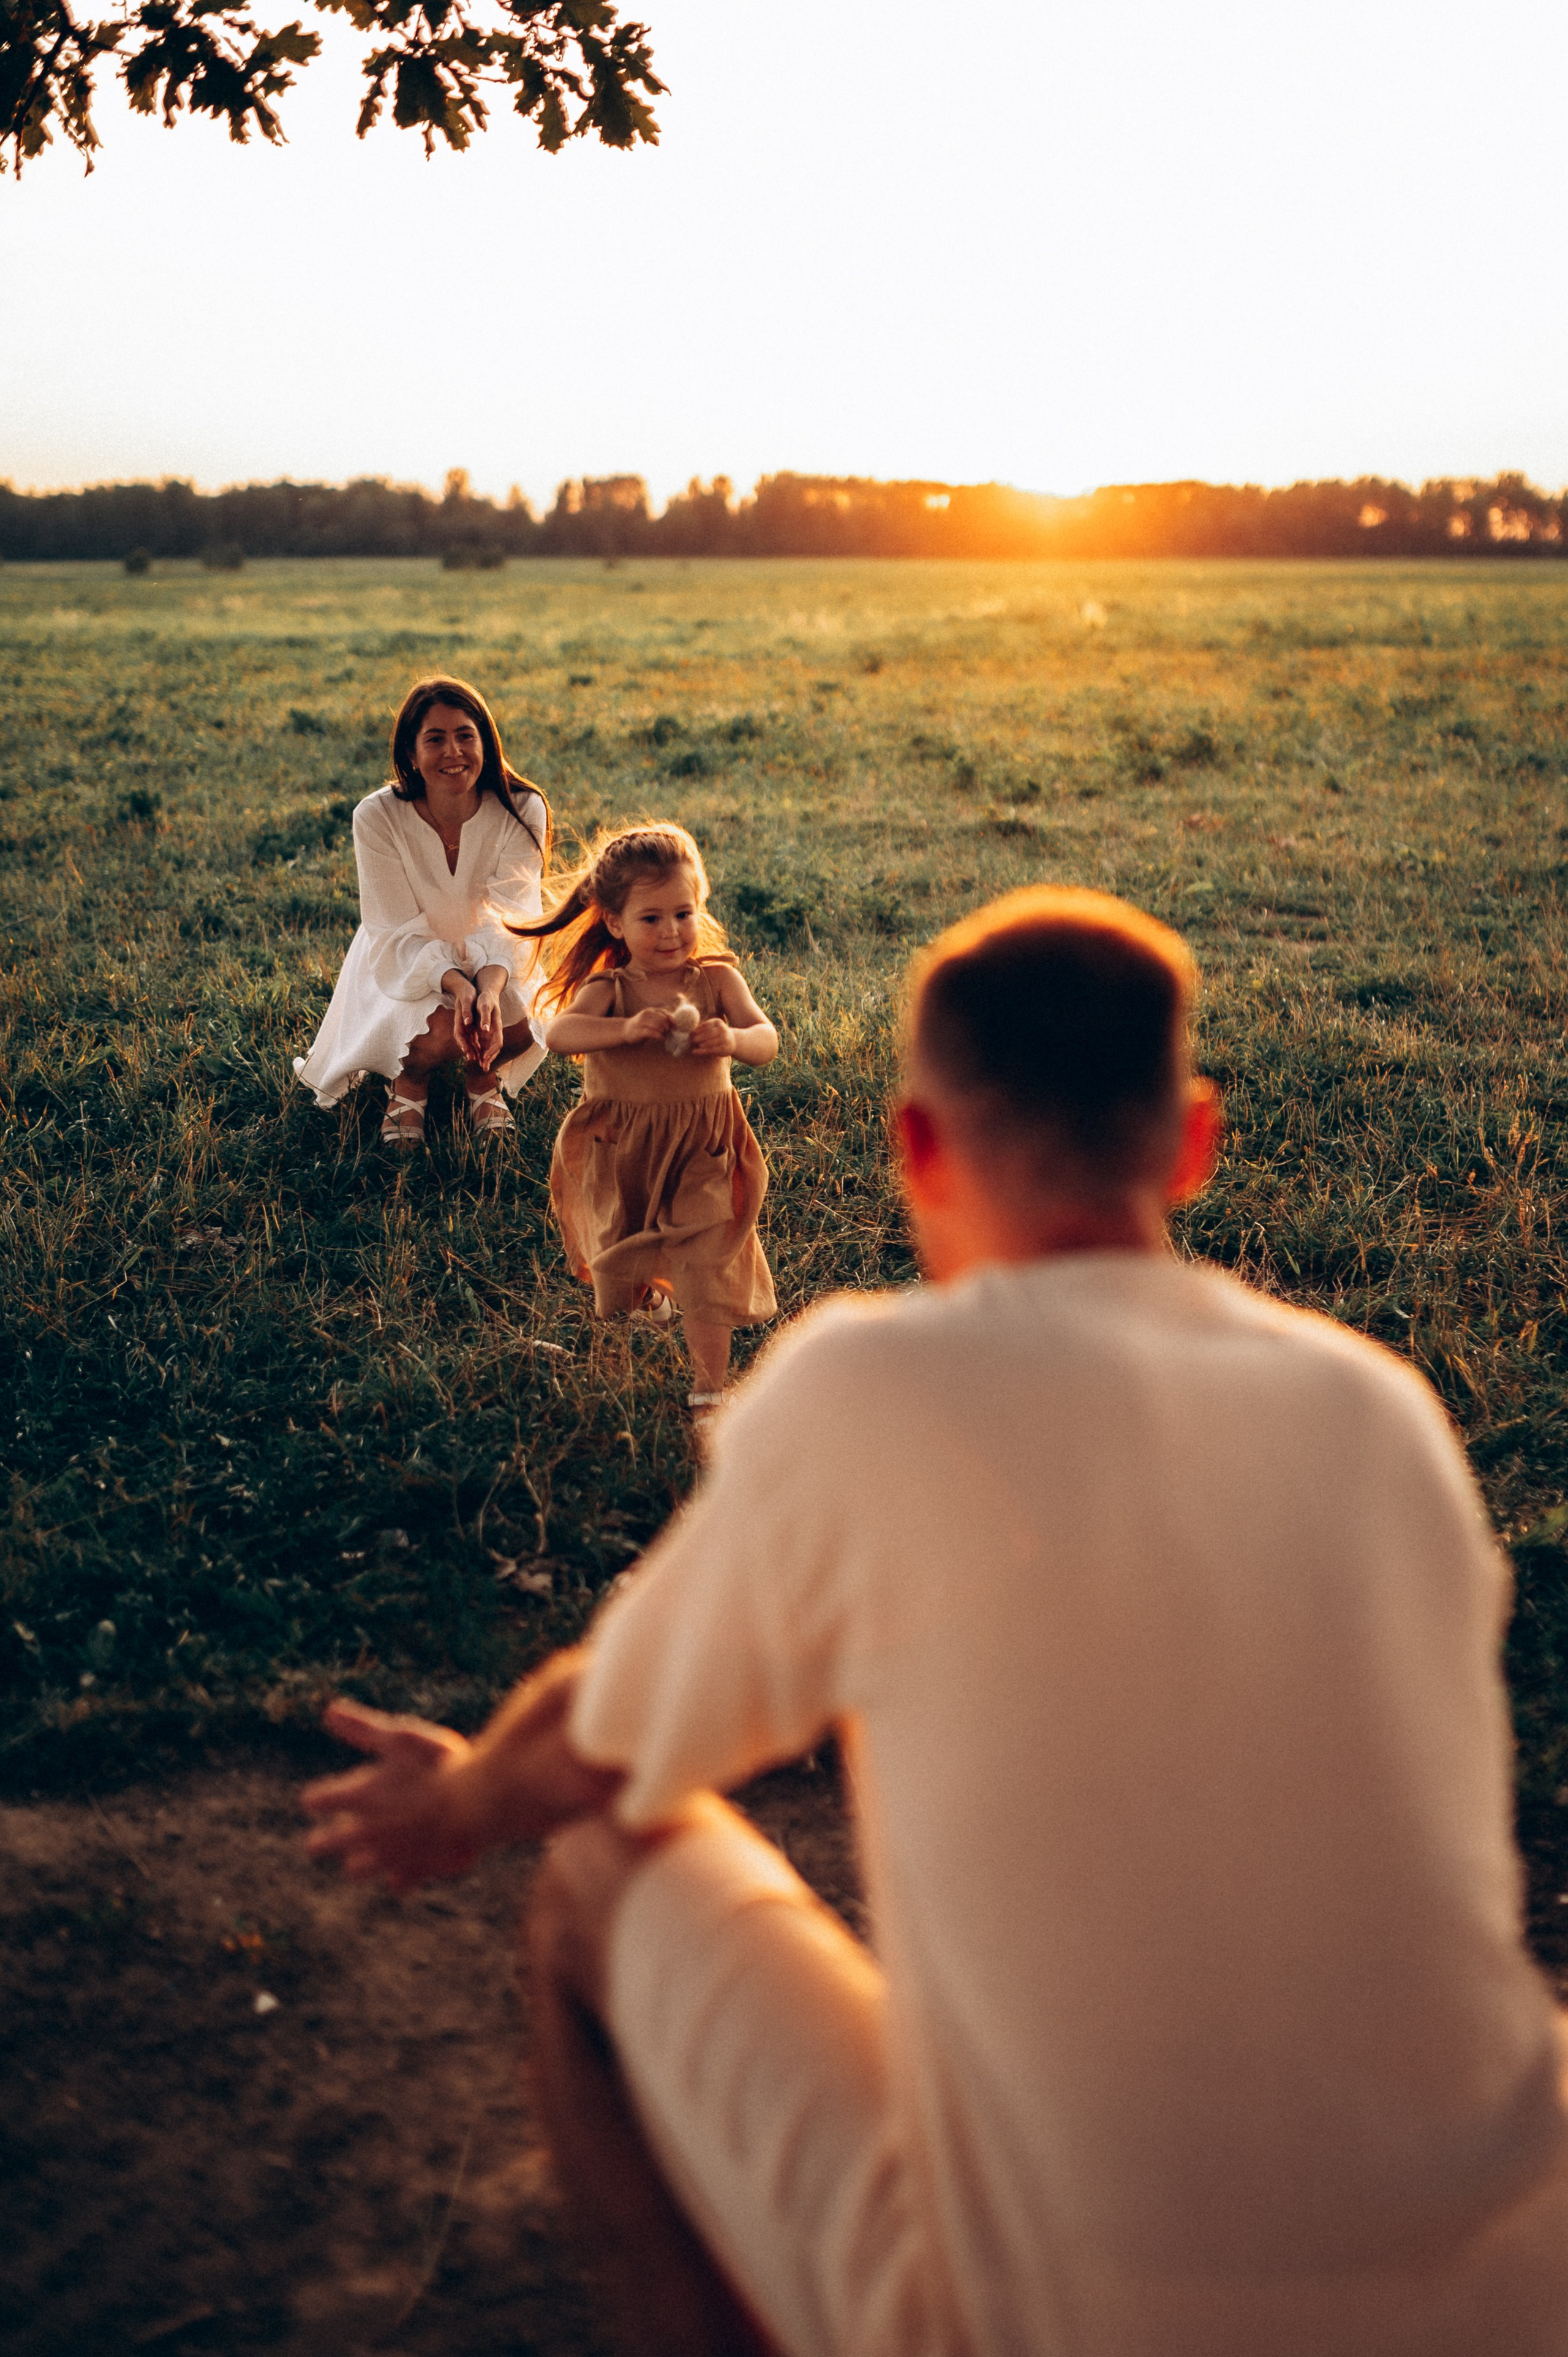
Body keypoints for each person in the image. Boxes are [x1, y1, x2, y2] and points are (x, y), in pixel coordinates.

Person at [303, 885, 1568, 2357]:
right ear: (1192, 1140)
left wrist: (458, 1800)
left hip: (1062, 2314)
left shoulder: (870, 1390)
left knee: (593, 1861)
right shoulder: (1377, 1409)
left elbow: (602, 1741)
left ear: (917, 1151)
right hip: (1517, 2286)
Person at [515, 823, 778, 1422]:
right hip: (625, 1149)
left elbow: (766, 1039)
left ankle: (711, 1388)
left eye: (683, 913)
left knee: (707, 1257)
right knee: (620, 1274)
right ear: (614, 922)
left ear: (699, 904)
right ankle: (653, 1296)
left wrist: (732, 1038)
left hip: (703, 1147)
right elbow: (561, 1034)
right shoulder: (609, 988)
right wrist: (625, 1029)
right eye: (651, 918)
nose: (671, 932)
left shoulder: (716, 980)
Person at [293, 674, 549, 1149]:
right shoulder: (377, 816)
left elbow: (515, 916)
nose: (453, 752)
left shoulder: (523, 806)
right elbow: (393, 930)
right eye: (435, 739)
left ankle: (481, 1079)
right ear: (411, 755)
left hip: (497, 956)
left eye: (465, 736)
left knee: (529, 1025)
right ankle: (408, 1082)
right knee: (431, 1040)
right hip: (404, 959)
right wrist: (455, 985)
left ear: (486, 744)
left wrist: (488, 991)